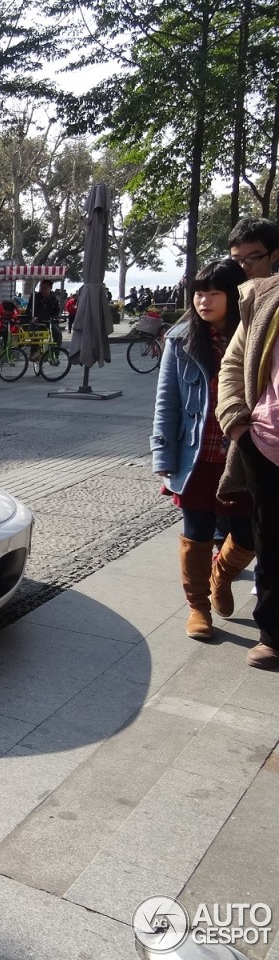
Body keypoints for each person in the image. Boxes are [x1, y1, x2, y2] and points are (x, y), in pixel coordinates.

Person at [152, 260, 252, 641]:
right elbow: (167, 401)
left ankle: (220, 576)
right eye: (198, 292)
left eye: (214, 292)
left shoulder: (255, 336)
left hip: (241, 456)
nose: (204, 300)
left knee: (247, 534)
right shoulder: (180, 339)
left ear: (235, 294)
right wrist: (162, 454)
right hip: (196, 453)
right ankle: (198, 607)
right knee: (196, 532)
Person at [217, 264, 279, 670]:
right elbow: (233, 362)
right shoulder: (265, 296)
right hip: (267, 444)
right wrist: (238, 425)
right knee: (270, 540)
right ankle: (272, 633)